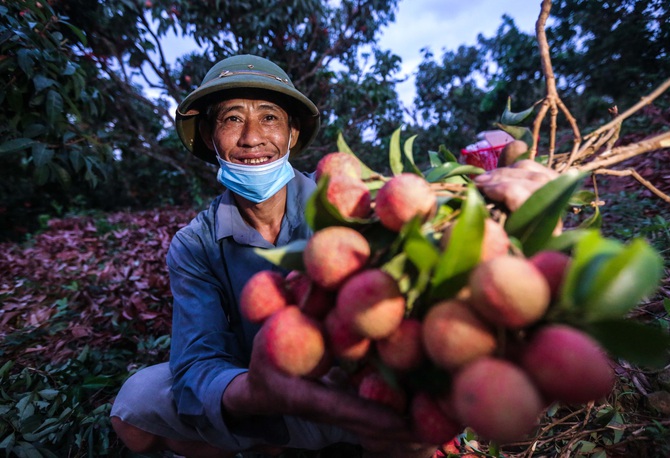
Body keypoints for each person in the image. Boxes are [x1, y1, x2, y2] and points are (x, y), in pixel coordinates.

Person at [110, 54, 557, 458]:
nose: (252, 137)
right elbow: (197, 364)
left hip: (359, 389)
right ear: (210, 137)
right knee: (133, 404)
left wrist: (523, 227)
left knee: (408, 429)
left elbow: (437, 250)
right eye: (231, 119)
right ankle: (269, 446)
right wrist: (256, 393)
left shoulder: (356, 205)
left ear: (292, 134)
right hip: (264, 391)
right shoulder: (196, 243)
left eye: (269, 117)